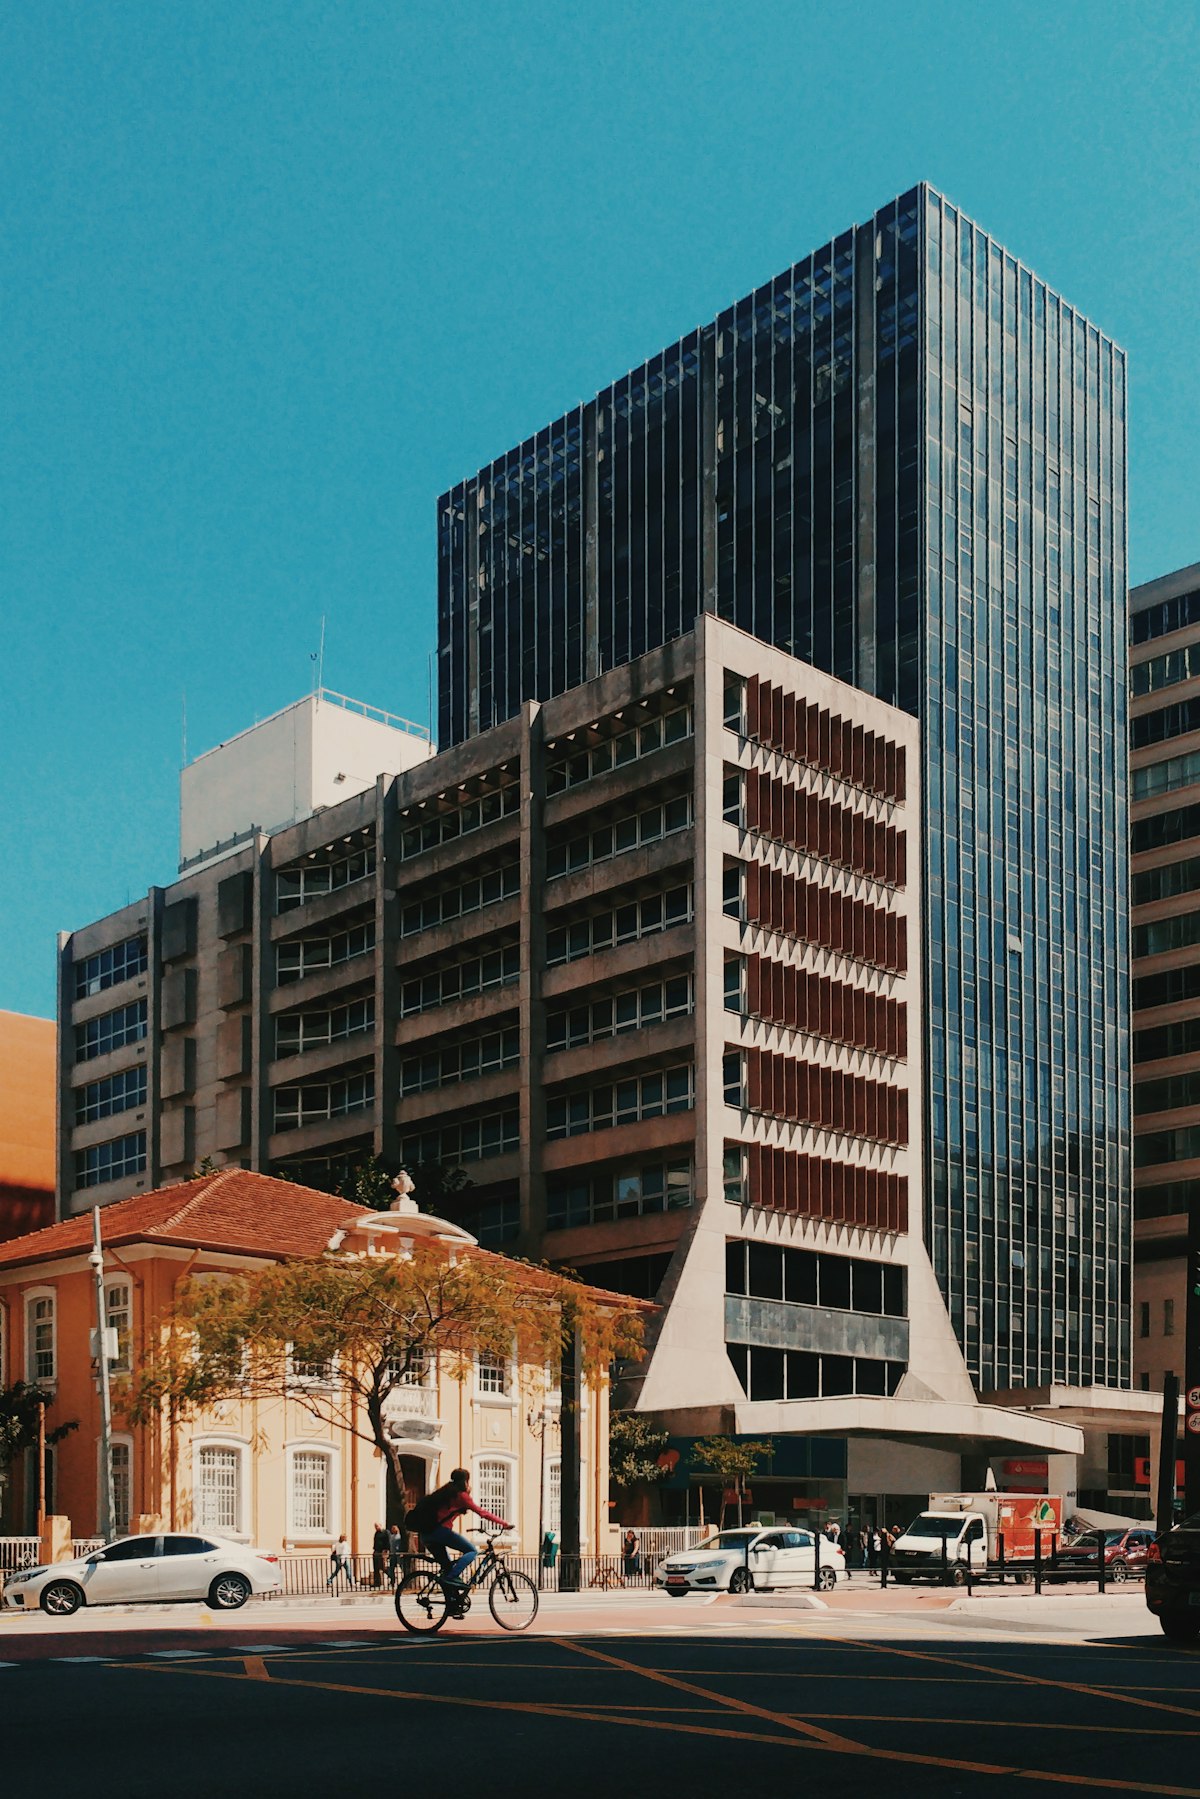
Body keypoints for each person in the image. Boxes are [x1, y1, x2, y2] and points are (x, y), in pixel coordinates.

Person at [407, 1467, 511, 1588]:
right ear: (465, 1481)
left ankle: (451, 1603)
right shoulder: (461, 1496)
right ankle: (451, 1577)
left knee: (447, 1569)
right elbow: (482, 1513)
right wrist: (504, 1524)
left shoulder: (445, 1492)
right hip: (440, 1532)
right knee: (471, 1551)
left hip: (426, 1535)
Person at [371, 1522, 390, 1589]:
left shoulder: (385, 1532)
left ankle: (391, 1578)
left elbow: (388, 1542)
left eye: (377, 1526)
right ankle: (377, 1583)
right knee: (376, 1567)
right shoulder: (376, 1533)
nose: (376, 1527)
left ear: (380, 1525)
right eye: (375, 1526)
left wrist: (386, 1551)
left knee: (383, 1567)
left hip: (383, 1551)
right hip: (376, 1551)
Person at [387, 1522, 405, 1586]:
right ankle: (392, 1581)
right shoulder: (391, 1537)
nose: (393, 1530)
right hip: (392, 1554)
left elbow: (400, 1545)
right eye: (392, 1529)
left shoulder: (399, 1536)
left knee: (402, 1567)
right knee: (391, 1568)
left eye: (394, 1529)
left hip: (398, 1554)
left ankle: (405, 1580)